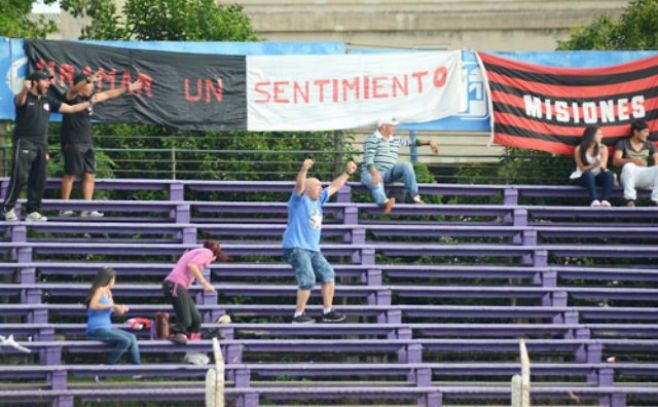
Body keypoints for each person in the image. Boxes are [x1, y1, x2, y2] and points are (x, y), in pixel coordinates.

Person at [2, 71, 95, 222]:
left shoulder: (47, 101)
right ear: (33, 82)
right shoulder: (24, 97)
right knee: (19, 176)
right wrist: (25, 89)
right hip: (24, 142)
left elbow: (70, 109)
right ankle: (8, 208)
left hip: (41, 144)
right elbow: (19, 101)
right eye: (45, 81)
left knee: (39, 178)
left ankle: (33, 211)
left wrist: (89, 103)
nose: (48, 84)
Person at [283, 158, 357, 324]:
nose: (321, 188)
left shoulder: (319, 199)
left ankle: (327, 310)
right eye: (317, 186)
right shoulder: (299, 200)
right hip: (297, 247)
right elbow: (299, 186)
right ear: (309, 189)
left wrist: (347, 173)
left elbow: (335, 186)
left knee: (328, 275)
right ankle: (298, 315)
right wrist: (303, 170)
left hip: (313, 249)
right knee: (308, 279)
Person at [59, 74, 142, 218]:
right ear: (81, 85)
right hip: (72, 142)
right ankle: (64, 207)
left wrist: (127, 88)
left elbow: (108, 94)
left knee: (90, 174)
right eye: (89, 85)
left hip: (87, 142)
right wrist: (89, 79)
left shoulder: (90, 100)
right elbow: (73, 89)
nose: (92, 87)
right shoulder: (71, 97)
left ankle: (87, 208)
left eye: (92, 85)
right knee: (71, 174)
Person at [361, 117, 439, 214]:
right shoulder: (372, 139)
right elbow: (369, 160)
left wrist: (429, 142)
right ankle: (384, 203)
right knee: (376, 184)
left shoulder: (395, 139)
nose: (394, 128)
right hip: (371, 172)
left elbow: (414, 142)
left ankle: (414, 197)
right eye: (392, 126)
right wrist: (375, 174)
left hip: (388, 173)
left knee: (406, 165)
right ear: (384, 127)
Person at [163, 240, 228, 345]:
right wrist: (204, 283)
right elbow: (192, 265)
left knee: (196, 320)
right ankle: (176, 333)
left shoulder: (196, 252)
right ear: (214, 256)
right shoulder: (207, 253)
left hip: (179, 287)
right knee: (186, 321)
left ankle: (194, 337)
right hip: (174, 285)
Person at [85, 268, 141, 366]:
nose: (114, 282)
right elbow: (93, 305)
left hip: (107, 327)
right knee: (125, 340)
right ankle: (108, 366)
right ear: (108, 279)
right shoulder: (100, 290)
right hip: (96, 329)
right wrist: (113, 306)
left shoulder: (109, 293)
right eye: (114, 279)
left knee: (132, 337)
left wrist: (120, 309)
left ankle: (137, 367)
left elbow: (113, 312)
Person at [612, 119, 658, 207]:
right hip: (628, 176)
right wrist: (633, 160)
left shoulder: (650, 144)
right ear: (636, 132)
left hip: (644, 176)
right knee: (629, 166)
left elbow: (657, 158)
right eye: (645, 132)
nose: (647, 134)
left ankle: (655, 201)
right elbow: (615, 161)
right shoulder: (623, 143)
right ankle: (630, 200)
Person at [570, 126, 614, 207]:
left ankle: (605, 200)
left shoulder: (603, 148)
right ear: (591, 135)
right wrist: (594, 165)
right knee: (588, 174)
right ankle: (594, 200)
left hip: (597, 176)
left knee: (609, 174)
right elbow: (582, 169)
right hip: (583, 177)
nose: (602, 136)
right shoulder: (579, 149)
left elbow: (603, 166)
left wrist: (601, 165)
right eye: (599, 134)